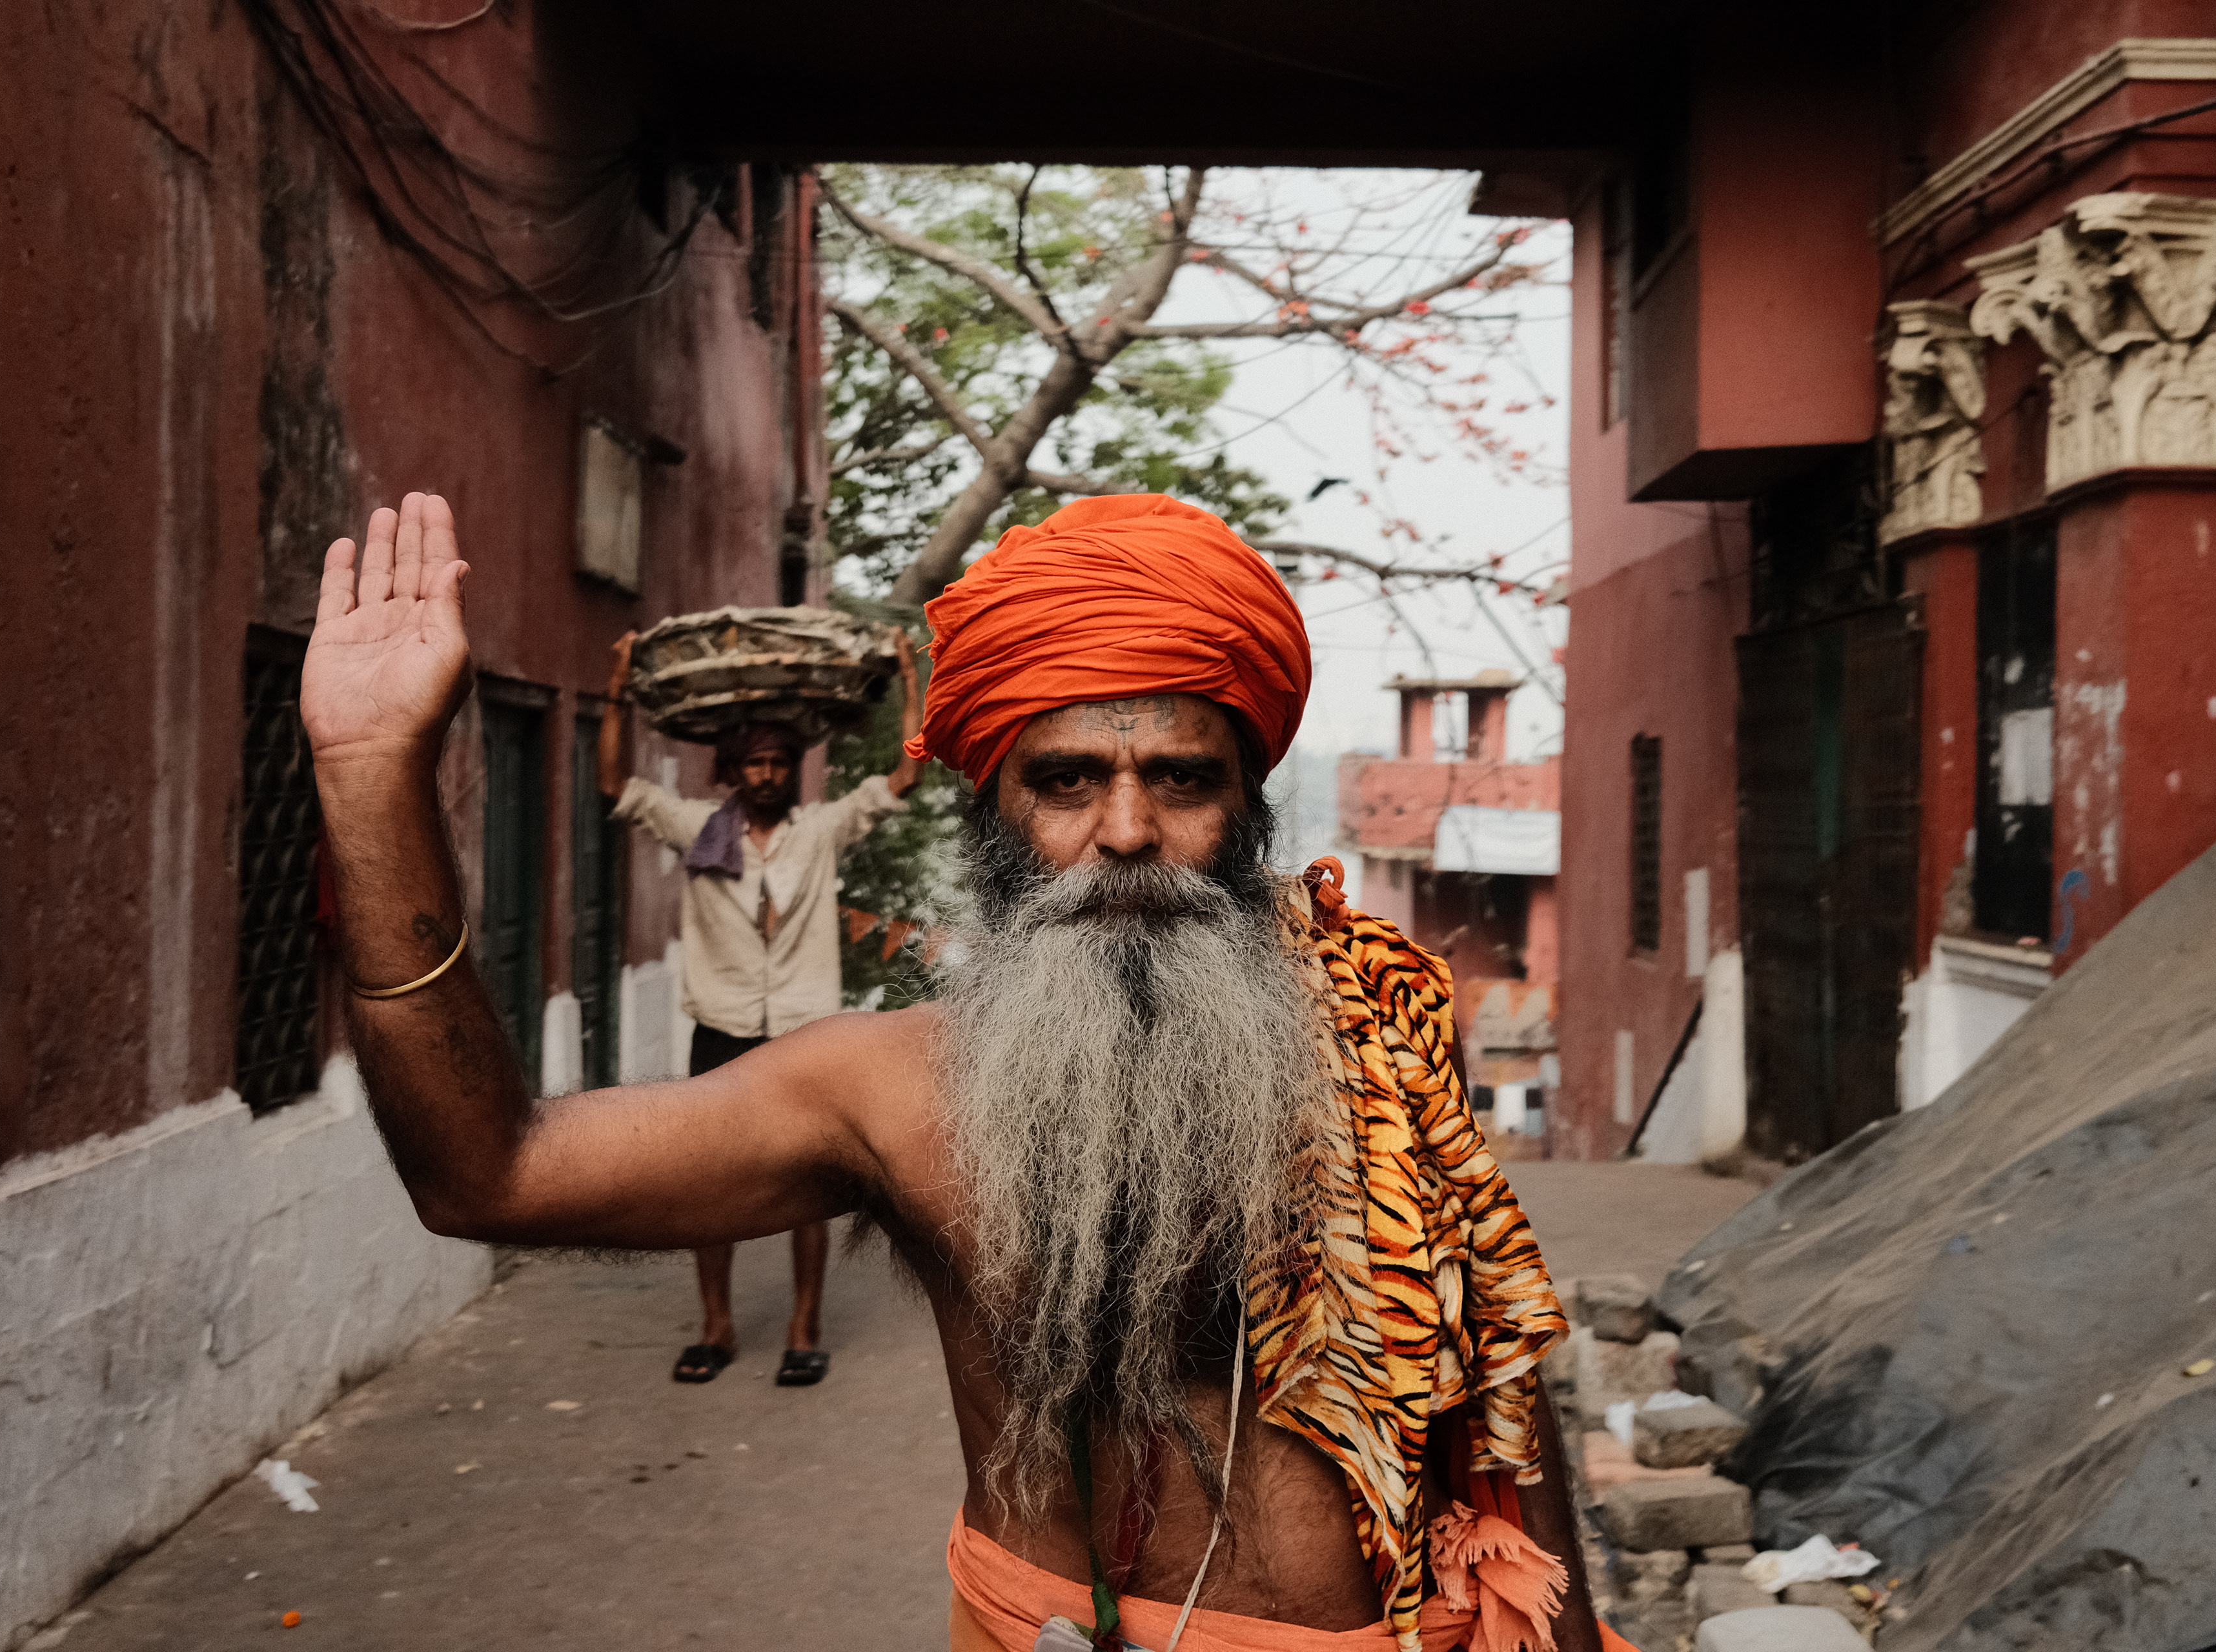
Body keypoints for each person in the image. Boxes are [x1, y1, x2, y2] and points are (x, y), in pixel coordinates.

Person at [303, 490, 1616, 1652]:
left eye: (1182, 777)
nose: (1126, 831)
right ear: (990, 807)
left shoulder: (1374, 1037)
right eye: (1065, 780)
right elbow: (493, 1170)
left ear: (1249, 805)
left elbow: (1498, 1379)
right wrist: (374, 781)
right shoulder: (889, 1090)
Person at [593, 625, 923, 1387]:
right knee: (704, 1182)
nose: (768, 773)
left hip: (806, 1030)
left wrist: (910, 677)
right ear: (732, 773)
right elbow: (616, 786)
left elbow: (905, 777)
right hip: (722, 1026)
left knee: (810, 1184)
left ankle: (804, 1326)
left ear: (793, 770)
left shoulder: (821, 830)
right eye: (754, 764)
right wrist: (616, 682)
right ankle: (716, 1326)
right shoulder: (698, 830)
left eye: (778, 762)